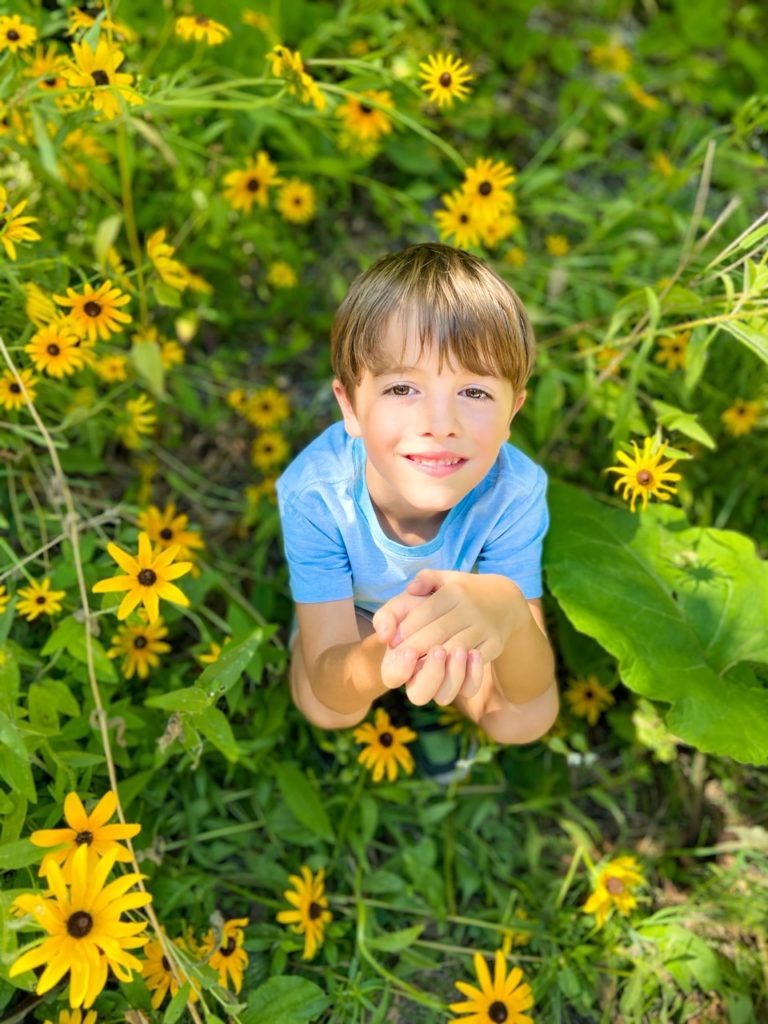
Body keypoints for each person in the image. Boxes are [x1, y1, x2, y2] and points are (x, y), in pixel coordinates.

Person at [276, 242, 558, 745]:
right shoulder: (314, 495)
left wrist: (509, 611)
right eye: (402, 389)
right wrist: (397, 655)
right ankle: (328, 640)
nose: (439, 425)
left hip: (470, 615)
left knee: (524, 719)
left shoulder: (514, 492)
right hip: (364, 624)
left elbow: (532, 687)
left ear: (512, 412)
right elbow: (332, 685)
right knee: (330, 708)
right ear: (351, 408)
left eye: (474, 393)